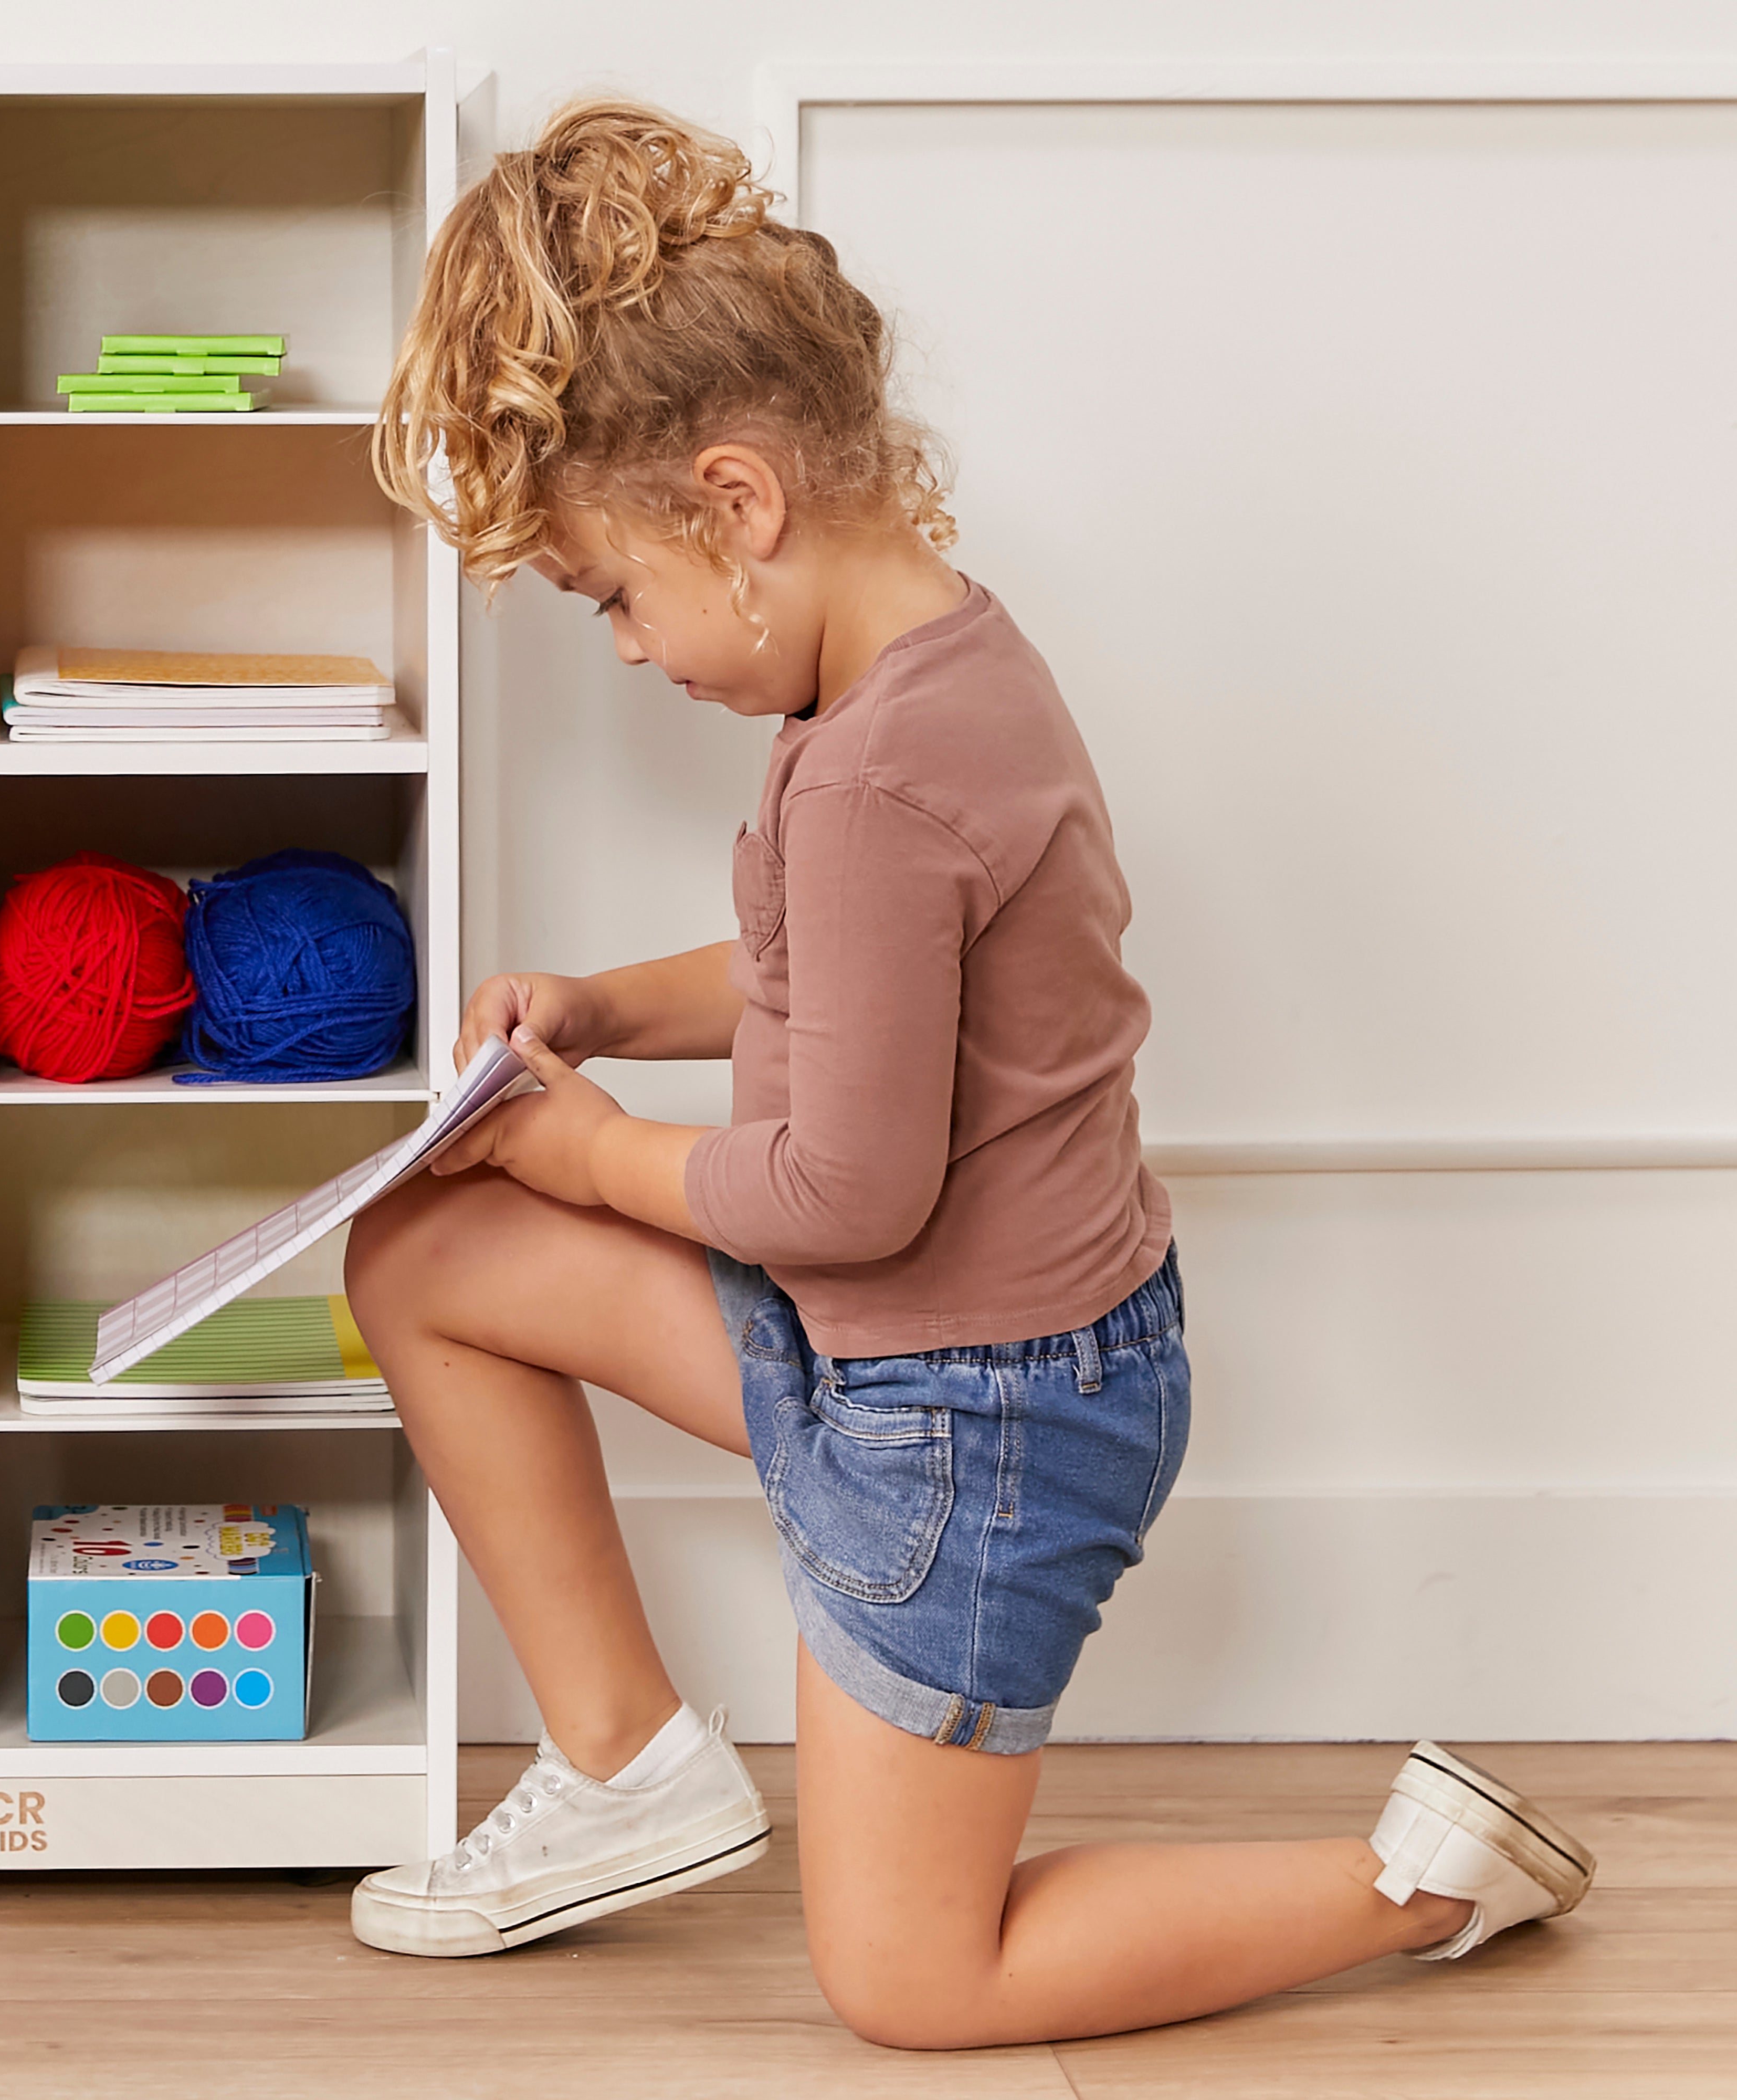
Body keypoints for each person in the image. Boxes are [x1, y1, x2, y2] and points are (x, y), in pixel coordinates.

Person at [344, 96, 1594, 2049]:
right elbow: (828, 990)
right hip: (913, 1354)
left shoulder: (870, 771)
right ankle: (626, 1766)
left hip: (973, 1432)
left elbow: (847, 1190)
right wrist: (599, 1006)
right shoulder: (931, 665)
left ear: (737, 506)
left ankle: (1418, 1885)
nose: (619, 646)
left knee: (913, 1978)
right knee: (429, 1256)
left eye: (610, 593)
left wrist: (588, 1154)